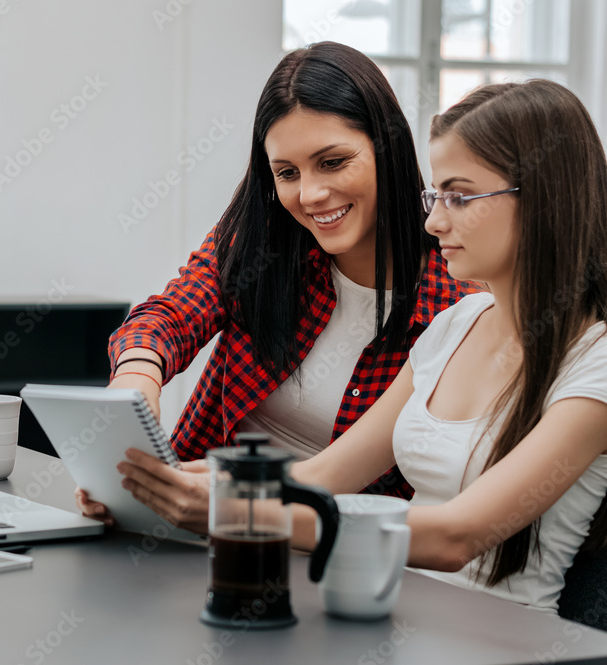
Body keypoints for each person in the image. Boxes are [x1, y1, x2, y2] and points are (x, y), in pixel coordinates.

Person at [121, 78, 607, 613]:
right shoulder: (456, 325)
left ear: (543, 198)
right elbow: (323, 475)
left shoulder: (594, 361)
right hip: (392, 611)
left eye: (461, 197)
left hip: (499, 639)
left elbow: (454, 538)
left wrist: (241, 512)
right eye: (437, 195)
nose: (435, 220)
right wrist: (163, 485)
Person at [77, 41, 474, 530]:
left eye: (331, 162)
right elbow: (169, 315)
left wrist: (242, 502)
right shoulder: (264, 242)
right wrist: (135, 380)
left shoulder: (456, 301)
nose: (309, 195)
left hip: (329, 546)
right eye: (287, 173)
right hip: (197, 525)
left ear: (386, 147)